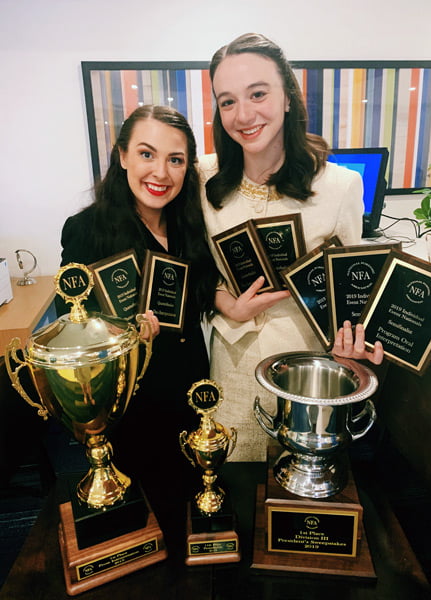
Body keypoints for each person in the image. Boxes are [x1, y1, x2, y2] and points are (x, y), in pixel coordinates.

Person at [199, 33, 384, 461]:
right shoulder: (202, 178)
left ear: (287, 96)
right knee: (234, 485)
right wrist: (222, 301)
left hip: (307, 373)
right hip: (232, 367)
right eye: (227, 101)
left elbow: (352, 294)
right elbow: (188, 263)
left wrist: (354, 338)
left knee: (299, 500)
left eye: (258, 93)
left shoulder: (340, 186)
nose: (243, 114)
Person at [56, 105, 221, 531]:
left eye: (176, 159)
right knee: (148, 526)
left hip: (191, 393)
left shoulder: (189, 224)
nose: (161, 172)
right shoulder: (86, 230)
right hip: (133, 409)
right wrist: (123, 336)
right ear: (122, 156)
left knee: (194, 510)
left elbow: (199, 301)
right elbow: (71, 334)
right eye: (147, 154)